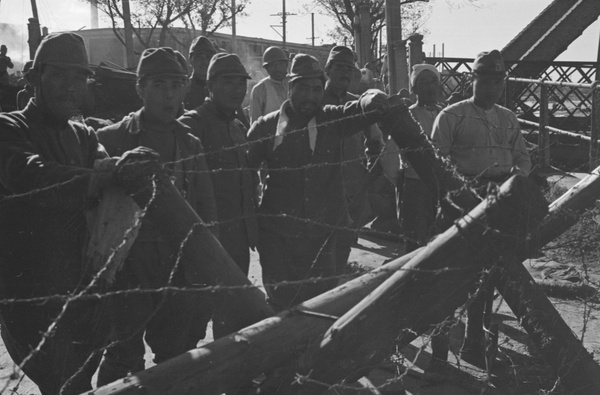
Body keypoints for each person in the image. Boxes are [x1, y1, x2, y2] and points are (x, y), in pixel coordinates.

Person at [0, 32, 127, 395]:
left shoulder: (84, 135)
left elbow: (105, 164)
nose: (70, 86)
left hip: (85, 288)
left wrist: (122, 168)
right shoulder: (9, 127)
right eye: (59, 75)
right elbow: (32, 175)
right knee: (59, 383)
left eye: (79, 77)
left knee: (81, 381)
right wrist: (104, 177)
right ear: (33, 78)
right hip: (32, 293)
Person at [95, 47, 218, 384]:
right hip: (127, 268)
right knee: (122, 357)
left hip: (178, 266)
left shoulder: (190, 144)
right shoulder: (111, 138)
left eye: (177, 85)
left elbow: (207, 211)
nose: (170, 94)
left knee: (174, 356)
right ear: (140, 88)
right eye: (160, 84)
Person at [247, 54, 391, 311]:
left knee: (321, 306)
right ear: (290, 87)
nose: (310, 96)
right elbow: (244, 176)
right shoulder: (265, 128)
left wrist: (370, 97)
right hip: (279, 237)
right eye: (303, 88)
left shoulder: (331, 121)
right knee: (280, 306)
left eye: (316, 89)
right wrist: (253, 223)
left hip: (324, 236)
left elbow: (356, 110)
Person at [431, 49, 531, 368]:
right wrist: (464, 190)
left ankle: (475, 343)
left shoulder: (507, 118)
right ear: (473, 79)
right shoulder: (452, 115)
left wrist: (517, 181)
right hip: (462, 201)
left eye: (498, 80)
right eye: (486, 79)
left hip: (499, 200)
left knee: (488, 275)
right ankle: (439, 351)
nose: (493, 86)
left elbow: (523, 157)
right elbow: (437, 163)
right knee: (451, 277)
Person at [322, 45, 385, 277]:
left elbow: (375, 140)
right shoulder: (314, 98)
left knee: (343, 246)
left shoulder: (358, 104)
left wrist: (368, 174)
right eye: (339, 67)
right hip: (319, 189)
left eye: (350, 68)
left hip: (352, 187)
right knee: (319, 250)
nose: (345, 73)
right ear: (328, 70)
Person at [249, 46, 289, 124]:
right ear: (267, 68)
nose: (277, 69)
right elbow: (255, 123)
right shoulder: (259, 89)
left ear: (286, 65)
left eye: (281, 64)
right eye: (273, 65)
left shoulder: (294, 84)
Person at [184, 35, 218, 110]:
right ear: (190, 59)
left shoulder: (219, 88)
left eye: (208, 57)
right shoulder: (184, 88)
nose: (204, 61)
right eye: (199, 57)